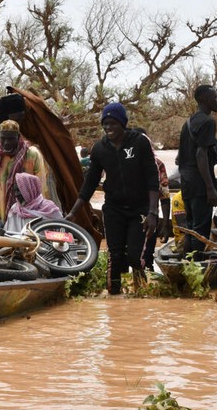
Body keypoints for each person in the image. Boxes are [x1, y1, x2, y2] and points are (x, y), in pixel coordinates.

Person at [66, 103, 159, 294]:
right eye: (105, 124)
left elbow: (153, 179)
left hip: (139, 210)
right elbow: (90, 183)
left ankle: (141, 289)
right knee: (114, 256)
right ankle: (114, 298)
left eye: (112, 123)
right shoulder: (100, 149)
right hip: (114, 209)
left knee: (134, 256)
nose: (108, 128)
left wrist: (152, 212)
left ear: (123, 123)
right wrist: (74, 212)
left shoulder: (140, 142)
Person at [178, 84, 217, 257]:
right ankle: (196, 264)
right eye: (215, 98)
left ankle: (187, 263)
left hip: (186, 183)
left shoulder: (187, 123)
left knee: (190, 226)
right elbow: (201, 155)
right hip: (200, 184)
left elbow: (180, 157)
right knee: (201, 229)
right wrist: (210, 187)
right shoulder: (208, 121)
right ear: (204, 100)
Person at [0, 119, 48, 222]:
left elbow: (40, 188)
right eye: (3, 138)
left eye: (11, 139)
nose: (7, 142)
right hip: (4, 213)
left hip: (30, 213)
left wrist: (38, 215)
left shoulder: (32, 155)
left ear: (18, 137)